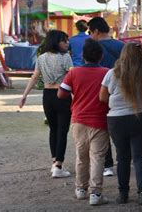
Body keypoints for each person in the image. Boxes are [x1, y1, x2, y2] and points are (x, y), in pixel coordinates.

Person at [99, 43, 142, 207]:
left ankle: (123, 194)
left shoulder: (112, 73)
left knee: (122, 158)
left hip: (117, 120)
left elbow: (102, 97)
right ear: (141, 54)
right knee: (140, 158)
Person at [57, 39, 110, 206]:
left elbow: (61, 94)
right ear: (101, 56)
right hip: (100, 121)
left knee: (81, 156)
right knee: (97, 158)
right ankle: (96, 193)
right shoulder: (107, 73)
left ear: (83, 56)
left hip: (79, 120)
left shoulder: (73, 73)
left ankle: (80, 190)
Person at [19, 30, 73, 178]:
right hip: (62, 95)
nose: (67, 43)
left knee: (53, 130)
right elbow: (72, 77)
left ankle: (54, 162)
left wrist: (24, 95)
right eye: (64, 41)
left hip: (47, 96)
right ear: (57, 42)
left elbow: (35, 77)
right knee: (62, 131)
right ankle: (59, 166)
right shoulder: (66, 57)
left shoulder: (41, 58)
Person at [87, 17, 123, 177]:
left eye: (90, 32)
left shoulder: (93, 47)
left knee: (102, 129)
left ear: (96, 31)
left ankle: (108, 165)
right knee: (121, 129)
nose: (89, 35)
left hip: (102, 92)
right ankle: (124, 160)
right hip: (122, 92)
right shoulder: (122, 46)